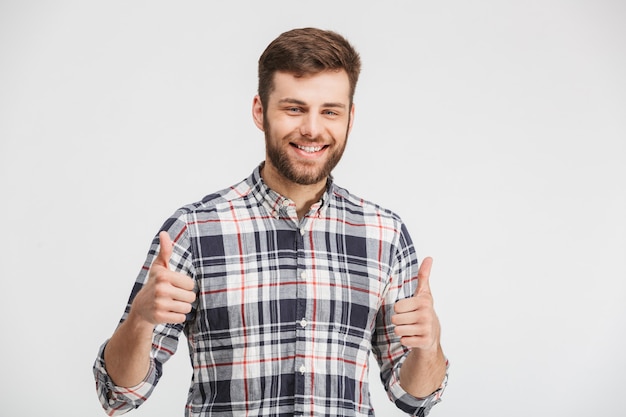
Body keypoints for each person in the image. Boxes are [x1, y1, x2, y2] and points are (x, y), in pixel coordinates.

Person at [93, 27, 448, 417]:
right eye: (294, 108)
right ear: (260, 111)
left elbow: (415, 397)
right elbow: (119, 395)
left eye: (330, 111)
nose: (313, 128)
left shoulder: (385, 235)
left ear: (350, 117)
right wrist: (141, 320)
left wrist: (429, 346)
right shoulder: (194, 230)